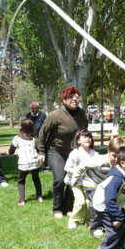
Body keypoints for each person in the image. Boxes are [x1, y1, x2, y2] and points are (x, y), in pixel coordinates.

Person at [38, 86, 88, 219]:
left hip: (74, 152)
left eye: (77, 97)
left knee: (73, 179)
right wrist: (41, 151)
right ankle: (57, 208)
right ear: (64, 100)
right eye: (71, 97)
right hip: (56, 152)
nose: (75, 100)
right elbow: (42, 133)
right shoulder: (55, 115)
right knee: (60, 179)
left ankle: (68, 207)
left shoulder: (82, 114)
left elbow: (85, 133)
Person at [70, 136, 125, 237]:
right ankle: (94, 226)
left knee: (106, 204)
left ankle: (105, 222)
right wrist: (75, 179)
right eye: (114, 155)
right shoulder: (99, 160)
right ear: (108, 150)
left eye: (119, 157)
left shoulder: (119, 164)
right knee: (96, 205)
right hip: (91, 183)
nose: (116, 159)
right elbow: (82, 166)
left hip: (103, 186)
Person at [64, 129, 95, 230]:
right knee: (81, 201)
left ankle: (87, 220)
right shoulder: (75, 153)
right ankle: (73, 221)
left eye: (89, 137)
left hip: (88, 183)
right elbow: (67, 168)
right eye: (85, 137)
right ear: (78, 140)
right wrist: (78, 171)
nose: (88, 139)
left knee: (88, 202)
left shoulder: (94, 153)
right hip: (75, 182)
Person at [9, 119, 43, 206]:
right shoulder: (34, 139)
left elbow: (11, 151)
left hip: (23, 163)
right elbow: (38, 149)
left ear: (21, 127)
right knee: (36, 178)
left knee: (21, 181)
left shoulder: (17, 138)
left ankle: (22, 200)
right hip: (35, 162)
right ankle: (39, 197)